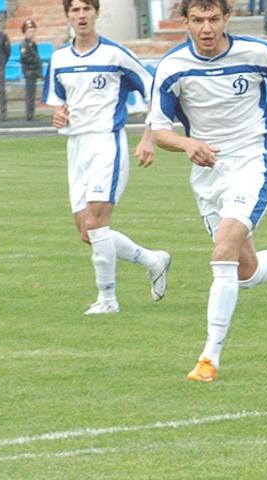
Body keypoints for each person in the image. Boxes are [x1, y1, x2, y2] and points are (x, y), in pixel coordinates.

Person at [148, 0, 267, 382]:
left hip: (255, 159)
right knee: (244, 272)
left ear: (226, 19)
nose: (206, 28)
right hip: (207, 171)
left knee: (223, 248)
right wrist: (186, 144)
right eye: (198, 20)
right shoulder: (171, 67)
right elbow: (159, 130)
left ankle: (209, 358)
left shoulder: (257, 53)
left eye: (213, 19)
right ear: (185, 21)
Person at [43, 0, 171, 315]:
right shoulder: (59, 58)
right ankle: (152, 260)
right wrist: (57, 115)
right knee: (87, 232)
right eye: (75, 10)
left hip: (107, 144)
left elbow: (154, 90)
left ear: (96, 13)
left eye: (87, 9)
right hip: (76, 148)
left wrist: (148, 136)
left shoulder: (115, 55)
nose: (82, 15)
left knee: (97, 222)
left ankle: (108, 299)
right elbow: (56, 103)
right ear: (67, 16)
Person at [19, 19, 43, 121]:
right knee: (30, 95)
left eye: (33, 31)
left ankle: (31, 113)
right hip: (29, 71)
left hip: (34, 71)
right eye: (29, 31)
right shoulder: (24, 44)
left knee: (32, 94)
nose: (31, 33)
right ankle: (29, 114)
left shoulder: (32, 43)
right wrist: (34, 61)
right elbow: (24, 58)